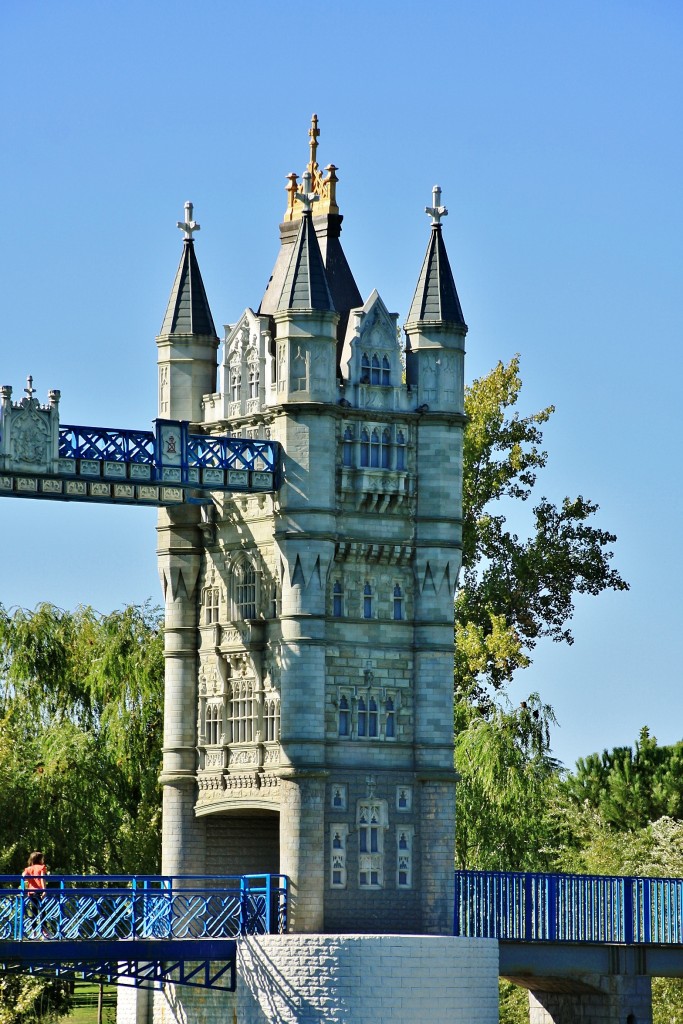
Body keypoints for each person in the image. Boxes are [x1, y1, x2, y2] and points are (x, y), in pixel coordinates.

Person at [22, 851, 48, 938]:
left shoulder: (29, 869)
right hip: (40, 891)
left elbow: (23, 876)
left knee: (33, 911)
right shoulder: (41, 867)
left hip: (31, 892)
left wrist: (29, 881)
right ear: (40, 859)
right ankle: (44, 931)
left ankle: (34, 932)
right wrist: (44, 890)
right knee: (42, 911)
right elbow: (42, 879)